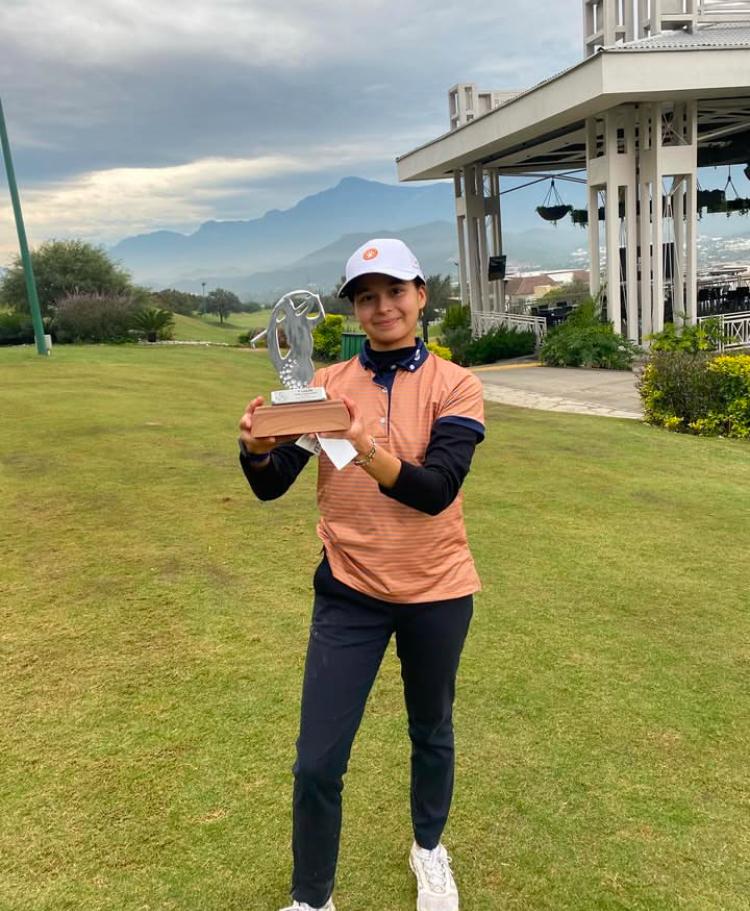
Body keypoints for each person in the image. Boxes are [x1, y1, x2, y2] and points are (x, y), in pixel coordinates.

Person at [238, 238, 485, 911]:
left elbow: (435, 489)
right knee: (317, 758)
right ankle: (312, 897)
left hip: (437, 590)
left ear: (420, 295)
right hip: (349, 591)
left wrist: (359, 442)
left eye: (395, 291)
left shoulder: (455, 384)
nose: (382, 307)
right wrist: (257, 447)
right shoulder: (321, 387)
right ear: (352, 308)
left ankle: (429, 849)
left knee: (430, 729)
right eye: (366, 296)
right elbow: (270, 484)